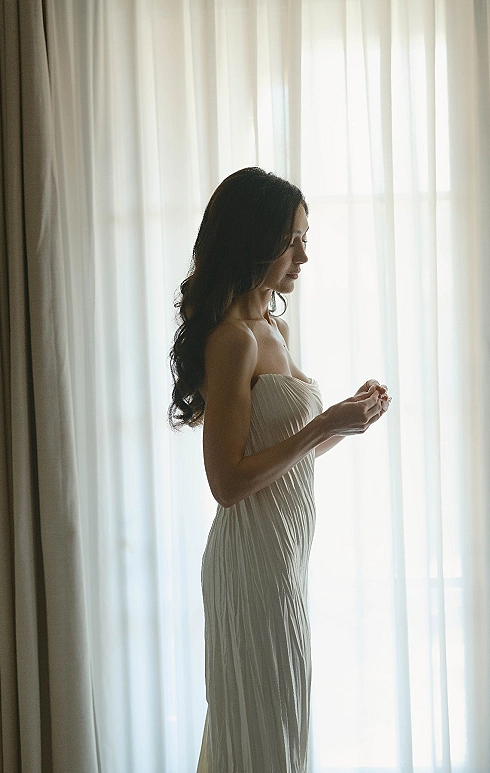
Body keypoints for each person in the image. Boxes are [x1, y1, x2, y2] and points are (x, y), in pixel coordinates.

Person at [168, 167, 391, 773]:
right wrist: (322, 424)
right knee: (263, 737)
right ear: (252, 239)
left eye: (305, 237)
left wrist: (346, 424)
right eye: (292, 238)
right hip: (252, 564)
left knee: (282, 729)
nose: (304, 255)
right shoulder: (233, 340)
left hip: (285, 557)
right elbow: (228, 482)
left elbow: (279, 456)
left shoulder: (275, 328)